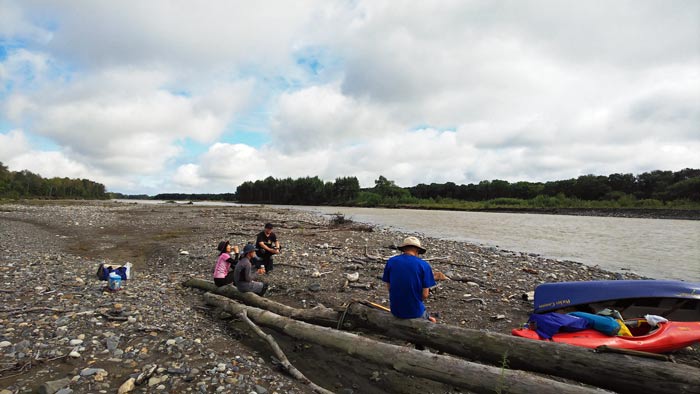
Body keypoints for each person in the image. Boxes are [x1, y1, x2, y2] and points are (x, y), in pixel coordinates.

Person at [382, 236, 437, 322]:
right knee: (432, 320)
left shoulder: (391, 261)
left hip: (396, 310)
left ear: (404, 249)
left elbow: (389, 287)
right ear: (417, 250)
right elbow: (425, 295)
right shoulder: (424, 265)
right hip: (414, 311)